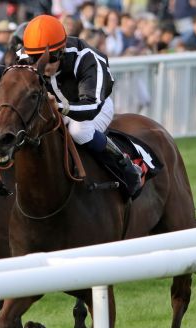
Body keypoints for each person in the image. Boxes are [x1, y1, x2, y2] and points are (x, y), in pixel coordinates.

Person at [14, 14, 142, 197]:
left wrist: (59, 107)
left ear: (62, 49)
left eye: (52, 57)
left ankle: (125, 165)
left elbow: (90, 107)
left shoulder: (87, 58)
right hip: (54, 107)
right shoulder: (22, 58)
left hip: (93, 108)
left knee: (78, 132)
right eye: (36, 58)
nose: (44, 65)